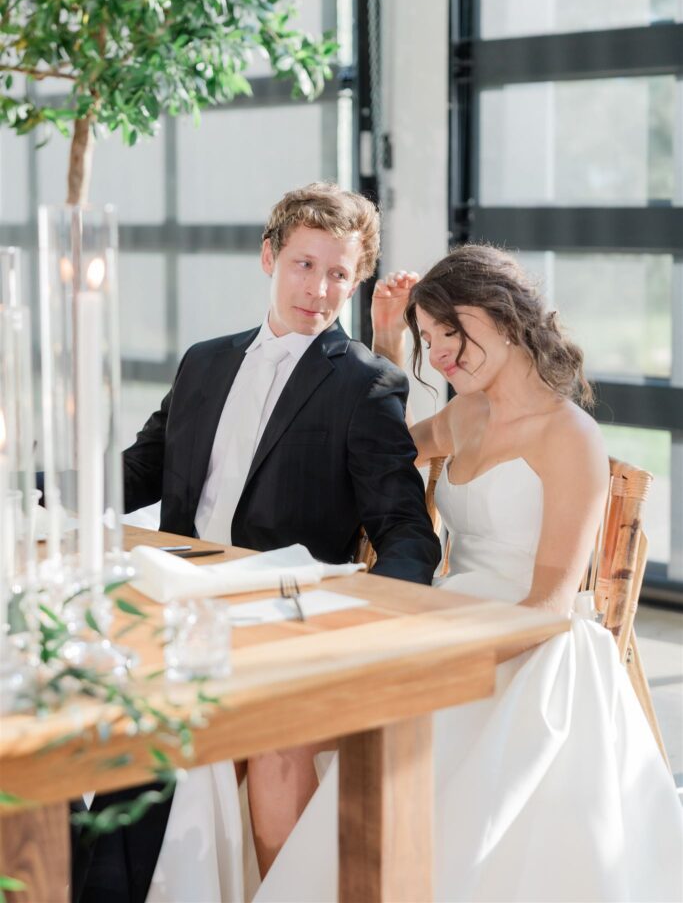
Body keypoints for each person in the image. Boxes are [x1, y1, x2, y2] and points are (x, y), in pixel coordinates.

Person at [256, 244, 683, 903]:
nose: (442, 353)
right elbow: (380, 447)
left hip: (526, 646)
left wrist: (440, 652)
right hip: (445, 614)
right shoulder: (469, 413)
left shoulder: (567, 436)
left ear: (501, 317)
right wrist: (386, 342)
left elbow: (547, 607)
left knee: (400, 743)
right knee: (286, 720)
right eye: (430, 338)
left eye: (448, 333)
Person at [75, 183, 440, 903]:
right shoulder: (203, 362)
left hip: (271, 612)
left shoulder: (366, 386)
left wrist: (377, 614)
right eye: (304, 265)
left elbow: (404, 528)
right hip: (167, 591)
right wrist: (42, 499)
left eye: (339, 273)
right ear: (268, 256)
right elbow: (138, 470)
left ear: (357, 277)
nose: (320, 289)